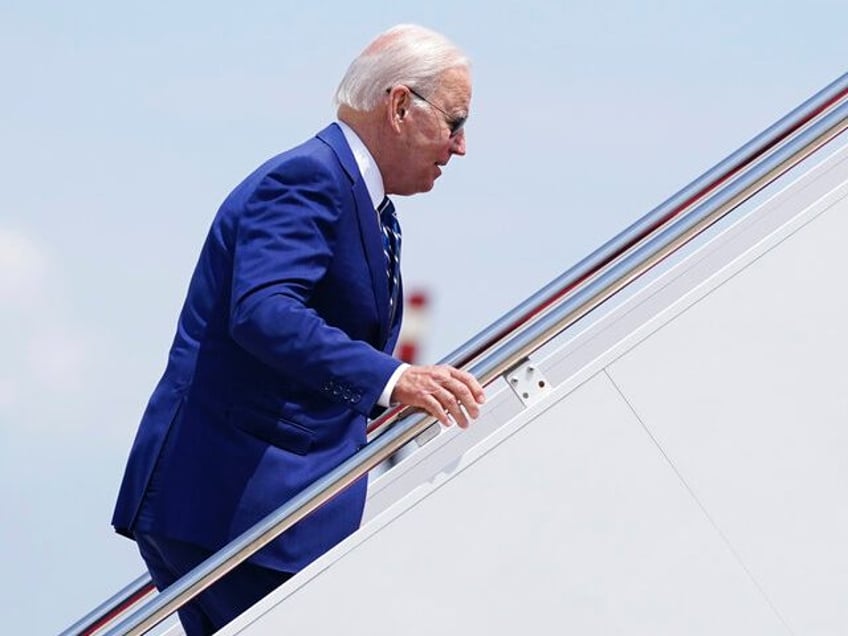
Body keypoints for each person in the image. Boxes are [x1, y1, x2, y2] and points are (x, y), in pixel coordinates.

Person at [111, 24, 484, 636]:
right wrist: (392, 380)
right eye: (455, 122)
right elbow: (264, 313)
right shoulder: (309, 179)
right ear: (398, 106)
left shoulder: (368, 206)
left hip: (256, 508)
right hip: (237, 504)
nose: (461, 146)